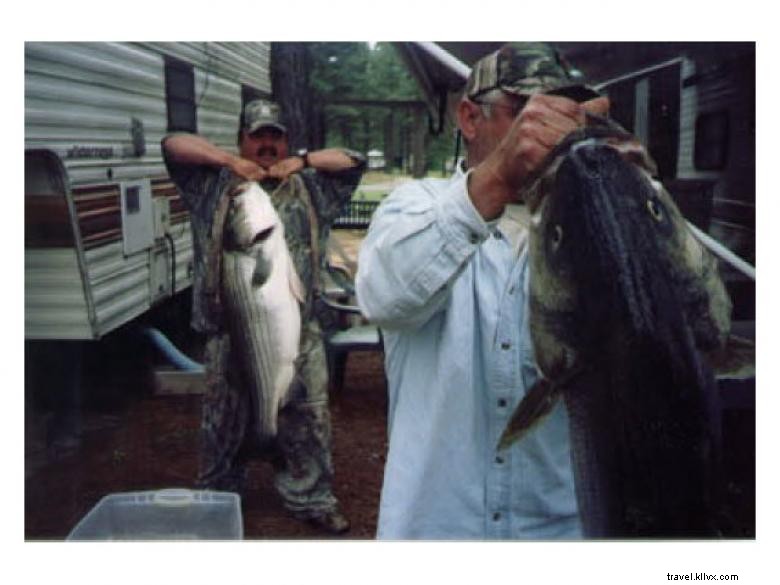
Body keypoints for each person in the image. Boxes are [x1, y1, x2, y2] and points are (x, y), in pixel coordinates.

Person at [355, 43, 612, 539]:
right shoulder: (414, 205)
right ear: (469, 118)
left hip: (558, 535)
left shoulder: (592, 224)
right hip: (436, 531)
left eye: (566, 116)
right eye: (525, 112)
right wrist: (498, 176)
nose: (547, 131)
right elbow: (386, 296)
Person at [162, 99, 366, 535]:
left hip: (301, 334)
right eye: (257, 136)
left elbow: (353, 162)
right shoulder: (213, 186)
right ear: (242, 140)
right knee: (222, 422)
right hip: (231, 333)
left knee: (309, 419)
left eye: (275, 136)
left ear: (287, 141)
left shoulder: (313, 188)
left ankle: (311, 497)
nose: (267, 144)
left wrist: (302, 162)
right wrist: (228, 162)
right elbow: (171, 145)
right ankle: (217, 497)